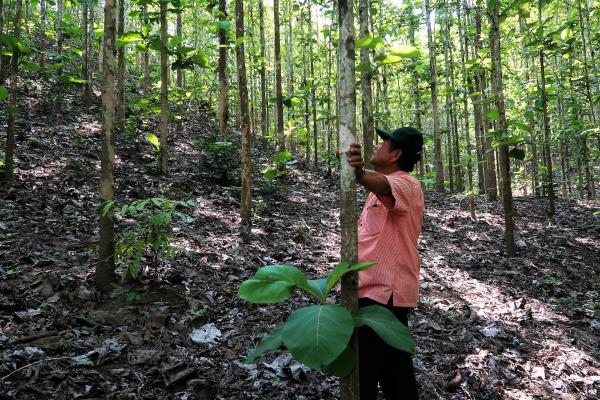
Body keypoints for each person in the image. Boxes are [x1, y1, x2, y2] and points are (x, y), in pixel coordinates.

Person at [346, 126, 424, 400]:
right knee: (388, 372)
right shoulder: (375, 190)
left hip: (384, 296)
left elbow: (383, 185)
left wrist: (358, 173)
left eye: (383, 144)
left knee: (374, 373)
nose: (376, 147)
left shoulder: (407, 184)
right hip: (369, 293)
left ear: (396, 154)